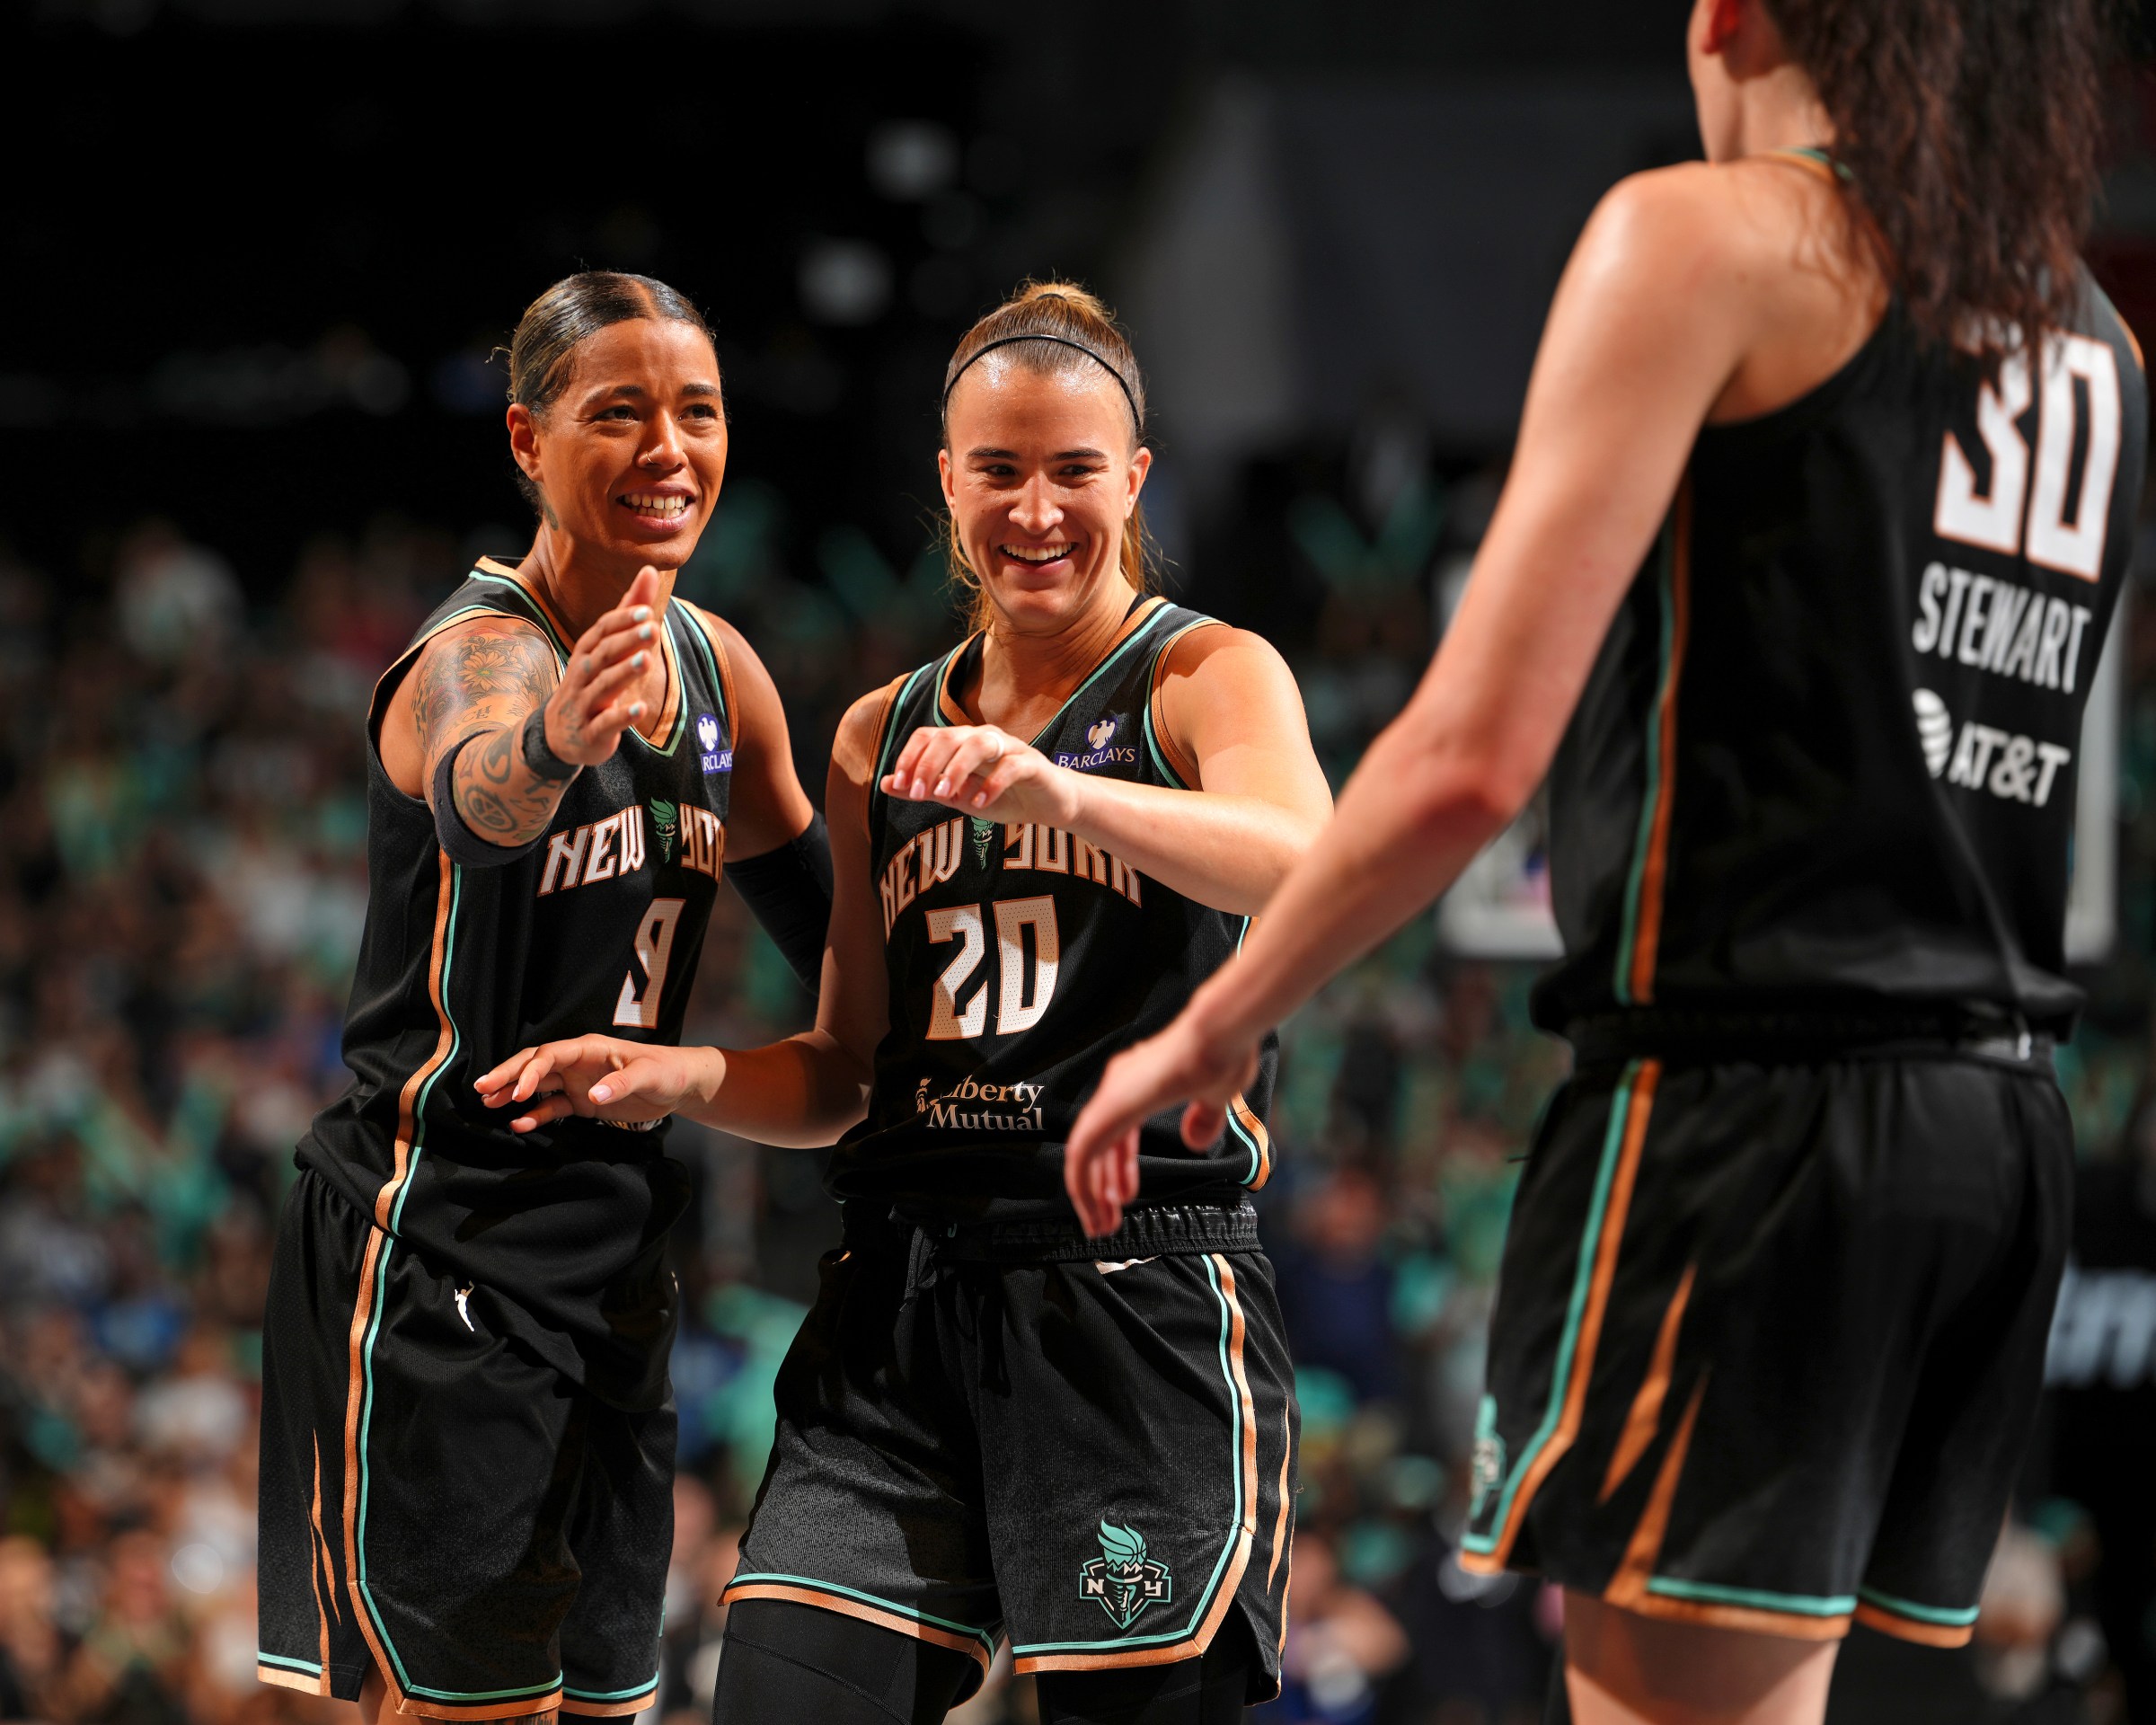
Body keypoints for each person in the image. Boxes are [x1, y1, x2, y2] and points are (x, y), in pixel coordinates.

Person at [1065, 1, 2143, 1721]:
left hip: (1753, 1119)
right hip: (1997, 1138)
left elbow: (1469, 756)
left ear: (1730, 21)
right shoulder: (2087, 332)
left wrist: (1220, 1018)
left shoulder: (1705, 236)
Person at [475, 281, 1334, 1724]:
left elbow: (1306, 851)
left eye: (1075, 471)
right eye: (1000, 470)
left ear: (1134, 480)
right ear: (948, 483)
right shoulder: (884, 730)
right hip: (903, 1303)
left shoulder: (1202, 674)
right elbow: (848, 1069)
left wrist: (1064, 790)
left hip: (1132, 1297)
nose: (1038, 509)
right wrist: (683, 1075)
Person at [255, 271, 831, 1724]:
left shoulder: (721, 677)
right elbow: (481, 796)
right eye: (616, 413)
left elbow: (849, 945)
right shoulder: (478, 655)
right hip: (440, 1235)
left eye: (696, 412)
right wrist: (562, 737)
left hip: (617, 1255)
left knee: (607, 1710)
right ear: (526, 440)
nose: (668, 449)